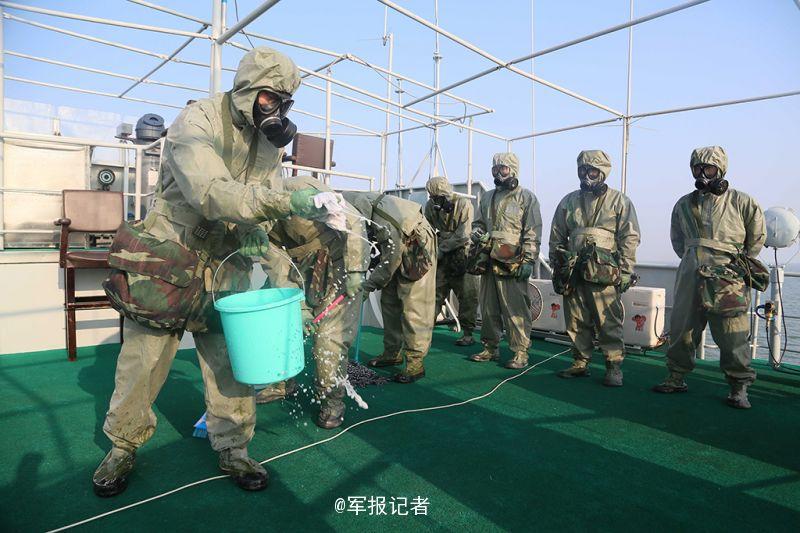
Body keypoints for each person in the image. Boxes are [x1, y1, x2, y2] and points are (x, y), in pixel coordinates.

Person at [94, 47, 329, 496]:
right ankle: (122, 445)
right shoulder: (195, 121)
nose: (275, 111)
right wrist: (283, 201)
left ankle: (234, 447)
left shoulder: (267, 144)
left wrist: (259, 233)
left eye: (284, 103)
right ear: (247, 87)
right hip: (171, 254)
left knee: (229, 360)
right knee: (143, 359)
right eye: (269, 99)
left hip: (225, 260)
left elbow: (256, 198)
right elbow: (210, 194)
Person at [653, 146, 765, 409]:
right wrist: (694, 257)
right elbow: (678, 240)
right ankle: (676, 376)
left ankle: (739, 386)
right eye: (697, 168)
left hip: (728, 275)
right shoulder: (683, 204)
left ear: (721, 170)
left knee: (731, 330)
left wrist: (736, 265)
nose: (702, 173)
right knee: (683, 325)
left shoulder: (742, 202)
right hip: (691, 272)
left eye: (709, 168)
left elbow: (756, 237)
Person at [257, 175, 369, 430]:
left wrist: (355, 271)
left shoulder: (303, 190)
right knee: (279, 323)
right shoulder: (250, 215)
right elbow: (275, 262)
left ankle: (332, 401)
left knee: (329, 338)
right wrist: (299, 307)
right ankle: (283, 382)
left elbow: (353, 220)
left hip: (340, 264)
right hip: (297, 267)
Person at [549, 150, 641, 386]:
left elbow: (629, 238)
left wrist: (626, 271)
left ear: (603, 173)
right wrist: (557, 267)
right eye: (583, 171)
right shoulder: (568, 201)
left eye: (592, 171)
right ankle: (580, 361)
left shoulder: (620, 201)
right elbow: (557, 236)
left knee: (608, 320)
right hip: (574, 270)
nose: (586, 176)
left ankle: (613, 365)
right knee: (575, 318)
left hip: (604, 272)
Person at [342, 191, 437, 383]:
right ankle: (392, 352)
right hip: (399, 246)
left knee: (414, 306)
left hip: (417, 249)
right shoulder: (371, 210)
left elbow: (391, 260)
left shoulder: (386, 221)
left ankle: (415, 362)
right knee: (389, 301)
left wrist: (367, 287)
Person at [469, 153, 542, 369]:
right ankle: (490, 347)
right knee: (489, 306)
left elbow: (533, 231)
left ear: (513, 171)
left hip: (512, 262)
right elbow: (478, 223)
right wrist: (477, 232)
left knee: (515, 307)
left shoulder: (526, 198)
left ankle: (520, 351)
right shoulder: (488, 197)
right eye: (495, 169)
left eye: (503, 169)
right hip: (489, 258)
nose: (498, 173)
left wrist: (529, 260)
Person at [424, 176, 479, 346]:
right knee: (434, 294)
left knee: (468, 294)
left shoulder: (463, 204)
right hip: (441, 257)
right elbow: (427, 229)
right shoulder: (430, 207)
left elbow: (464, 234)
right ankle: (424, 332)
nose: (436, 201)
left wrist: (442, 248)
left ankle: (468, 333)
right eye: (433, 198)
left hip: (461, 255)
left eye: (439, 197)